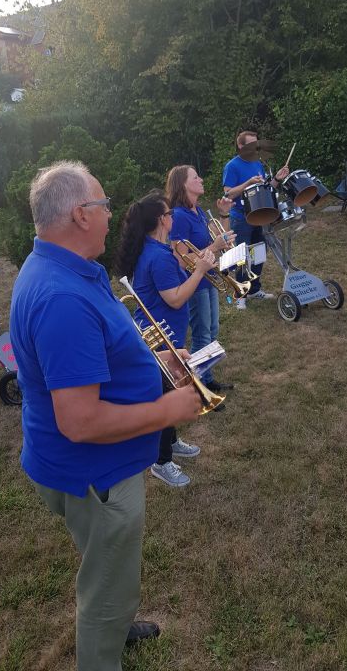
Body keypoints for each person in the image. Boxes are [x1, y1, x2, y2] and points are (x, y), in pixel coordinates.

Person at [9, 161, 201, 671]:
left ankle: (115, 621)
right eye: (104, 204)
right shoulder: (61, 297)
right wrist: (166, 408)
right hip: (96, 473)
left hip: (91, 471)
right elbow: (80, 422)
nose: (112, 214)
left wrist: (155, 361)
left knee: (108, 564)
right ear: (80, 214)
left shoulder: (65, 267)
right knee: (107, 587)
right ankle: (105, 639)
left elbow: (98, 349)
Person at [115, 191, 215, 488]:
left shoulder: (155, 249)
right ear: (162, 220)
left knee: (170, 390)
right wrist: (200, 270)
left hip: (167, 332)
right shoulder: (158, 256)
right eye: (170, 213)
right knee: (163, 397)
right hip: (160, 336)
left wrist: (187, 266)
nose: (173, 217)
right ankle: (161, 462)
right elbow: (175, 298)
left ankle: (171, 442)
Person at [165, 165, 234, 396]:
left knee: (212, 330)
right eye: (195, 177)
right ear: (183, 185)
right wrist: (214, 247)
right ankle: (198, 388)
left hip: (209, 278)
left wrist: (224, 215)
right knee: (202, 334)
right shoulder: (178, 216)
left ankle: (207, 378)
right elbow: (181, 260)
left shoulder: (198, 211)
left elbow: (217, 238)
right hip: (194, 283)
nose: (201, 179)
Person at [222, 130, 290, 310]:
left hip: (260, 216)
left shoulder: (257, 163)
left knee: (259, 254)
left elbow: (266, 188)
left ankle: (254, 290)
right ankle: (241, 294)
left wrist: (277, 179)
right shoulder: (232, 166)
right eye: (251, 144)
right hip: (241, 218)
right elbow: (228, 193)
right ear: (240, 146)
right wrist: (247, 183)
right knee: (242, 257)